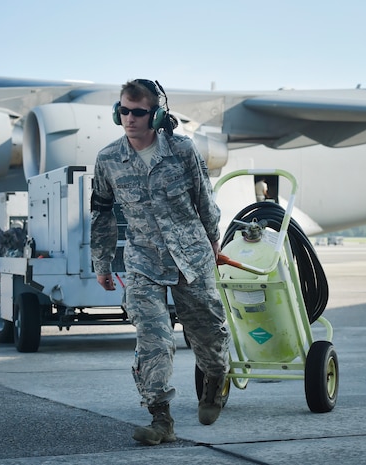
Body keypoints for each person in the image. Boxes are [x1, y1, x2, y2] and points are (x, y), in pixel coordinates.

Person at [90, 79, 230, 445]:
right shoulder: (108, 160)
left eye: (138, 112)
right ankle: (160, 419)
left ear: (157, 114)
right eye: (123, 111)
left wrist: (214, 241)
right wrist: (102, 263)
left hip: (191, 258)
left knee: (208, 334)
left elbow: (205, 200)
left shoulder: (183, 151)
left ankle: (215, 379)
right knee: (153, 338)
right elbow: (102, 213)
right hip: (143, 262)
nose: (129, 119)